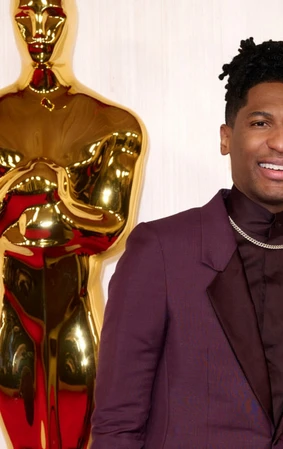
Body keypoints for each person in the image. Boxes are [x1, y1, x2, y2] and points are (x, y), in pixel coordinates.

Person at [91, 37, 283, 448]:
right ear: (226, 138)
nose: (281, 142)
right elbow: (116, 425)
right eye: (260, 122)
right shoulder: (160, 251)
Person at [0, 1, 146, 447]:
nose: (39, 28)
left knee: (81, 435)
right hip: (13, 309)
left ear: (72, 21)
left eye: (53, 14)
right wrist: (17, 187)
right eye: (26, 15)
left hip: (76, 309)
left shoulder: (112, 124)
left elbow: (109, 231)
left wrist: (57, 197)